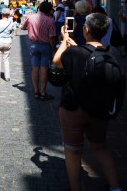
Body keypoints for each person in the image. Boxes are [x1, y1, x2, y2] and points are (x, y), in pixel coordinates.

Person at [53, 13, 122, 191]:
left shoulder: (75, 53)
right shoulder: (110, 52)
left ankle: (76, 188)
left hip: (74, 108)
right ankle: (115, 187)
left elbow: (57, 62)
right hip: (100, 108)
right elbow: (87, 54)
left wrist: (64, 39)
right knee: (100, 147)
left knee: (73, 150)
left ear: (86, 30)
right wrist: (74, 44)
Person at [21, 1, 56, 100]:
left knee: (35, 68)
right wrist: (54, 50)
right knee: (44, 68)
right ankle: (43, 92)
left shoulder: (30, 18)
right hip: (46, 46)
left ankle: (36, 91)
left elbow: (23, 27)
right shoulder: (50, 20)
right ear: (49, 10)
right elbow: (52, 37)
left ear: (39, 8)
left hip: (34, 45)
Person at [0, 8, 15, 82]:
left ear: (2, 14)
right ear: (8, 15)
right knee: (6, 59)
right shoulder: (11, 23)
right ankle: (7, 77)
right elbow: (13, 31)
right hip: (7, 42)